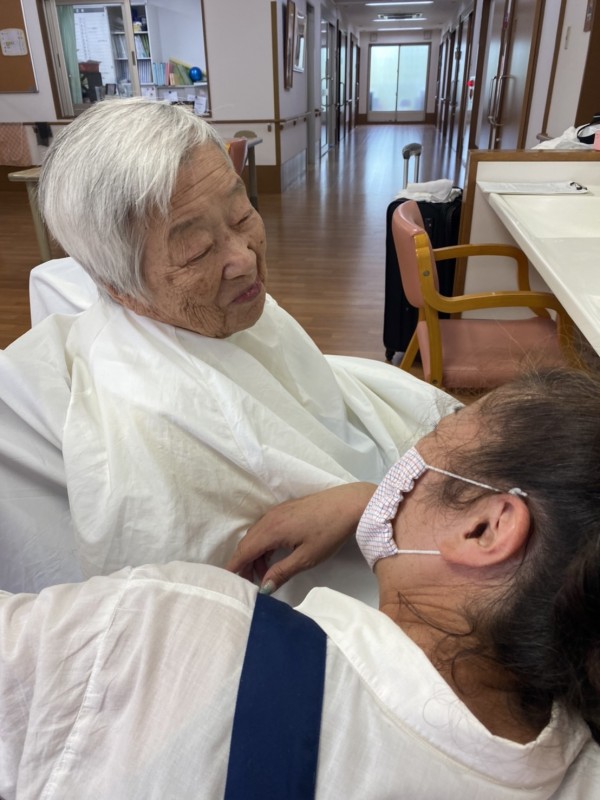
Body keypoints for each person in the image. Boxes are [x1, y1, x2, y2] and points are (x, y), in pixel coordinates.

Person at [2, 367, 599, 798]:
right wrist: (382, 505)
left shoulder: (177, 633)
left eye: (441, 430)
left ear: (485, 530)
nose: (406, 464)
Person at [0, 98, 455, 604]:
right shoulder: (159, 424)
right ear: (118, 288)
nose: (244, 259)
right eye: (196, 251)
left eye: (241, 216)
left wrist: (368, 496)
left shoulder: (218, 304)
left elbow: (310, 394)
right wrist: (380, 505)